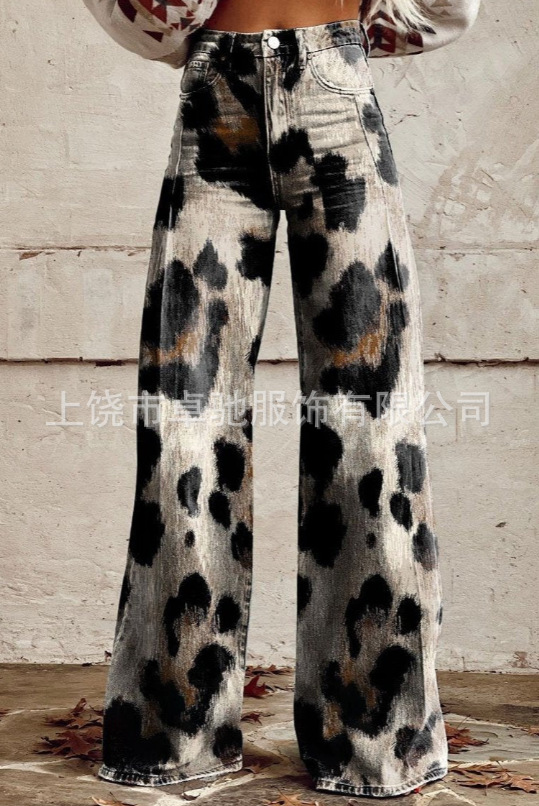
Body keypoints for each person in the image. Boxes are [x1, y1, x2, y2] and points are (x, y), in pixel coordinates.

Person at [81, 0, 480, 798]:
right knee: (183, 432)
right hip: (213, 102)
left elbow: (448, 6)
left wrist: (345, 33)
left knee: (370, 434)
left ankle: (377, 739)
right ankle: (171, 735)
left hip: (335, 93)